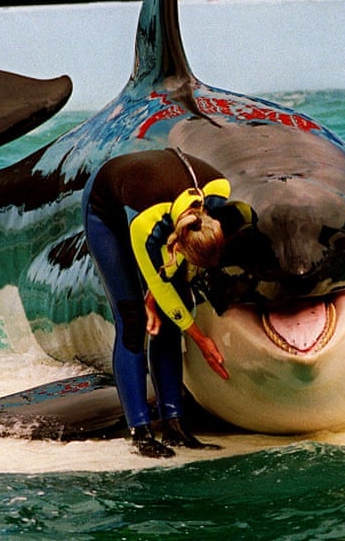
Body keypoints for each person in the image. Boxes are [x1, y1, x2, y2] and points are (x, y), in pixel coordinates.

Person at [82, 147, 245, 458]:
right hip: (104, 209)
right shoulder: (147, 226)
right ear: (177, 244)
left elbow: (169, 281)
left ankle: (174, 424)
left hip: (172, 203)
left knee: (171, 317)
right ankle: (139, 431)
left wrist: (163, 299)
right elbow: (158, 279)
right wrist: (201, 339)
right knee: (133, 320)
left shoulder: (220, 195)